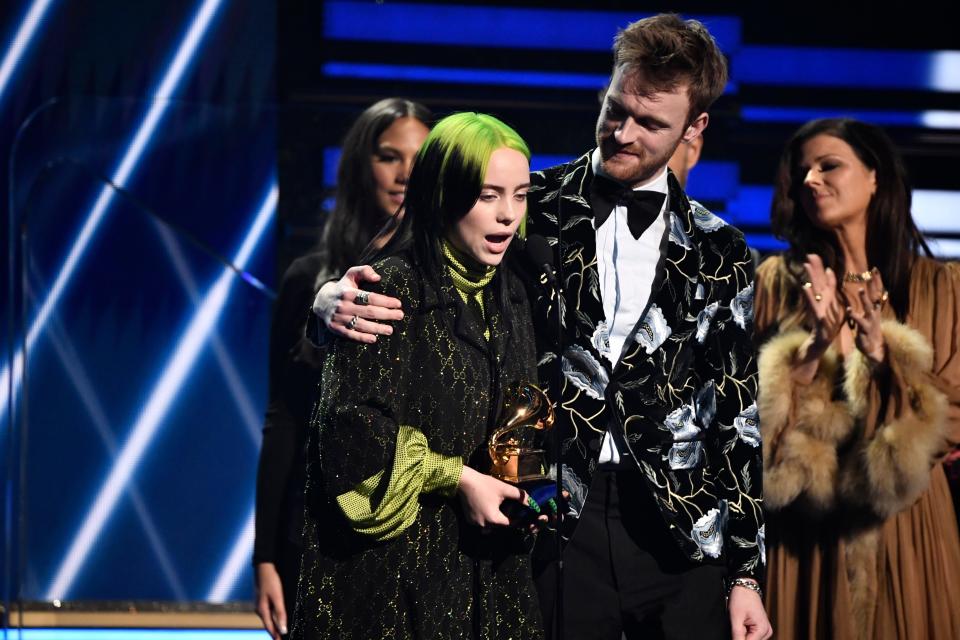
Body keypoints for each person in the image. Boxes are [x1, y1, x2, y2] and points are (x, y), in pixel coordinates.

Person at [313, 14, 772, 640]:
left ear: (695, 130)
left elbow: (737, 414)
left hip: (679, 533)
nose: (622, 132)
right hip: (553, 519)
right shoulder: (524, 202)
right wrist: (325, 301)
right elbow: (403, 262)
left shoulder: (724, 253)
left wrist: (746, 575)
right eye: (616, 109)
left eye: (651, 123)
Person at [291, 112, 544, 639]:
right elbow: (349, 434)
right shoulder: (389, 289)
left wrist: (531, 494)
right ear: (442, 193)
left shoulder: (511, 293)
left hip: (487, 581)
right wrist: (457, 478)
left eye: (519, 195)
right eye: (487, 195)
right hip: (391, 582)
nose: (507, 216)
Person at [755, 117, 960, 639]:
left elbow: (955, 413)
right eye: (802, 173)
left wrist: (887, 358)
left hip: (909, 528)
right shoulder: (776, 285)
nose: (810, 181)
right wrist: (811, 353)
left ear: (875, 177)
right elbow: (747, 425)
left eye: (829, 166)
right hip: (807, 538)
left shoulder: (941, 286)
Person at [252, 97, 430, 640]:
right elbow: (284, 418)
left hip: (420, 533)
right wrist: (264, 558)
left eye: (419, 158)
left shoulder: (448, 284)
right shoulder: (309, 280)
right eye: (387, 156)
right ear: (359, 166)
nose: (404, 174)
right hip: (316, 531)